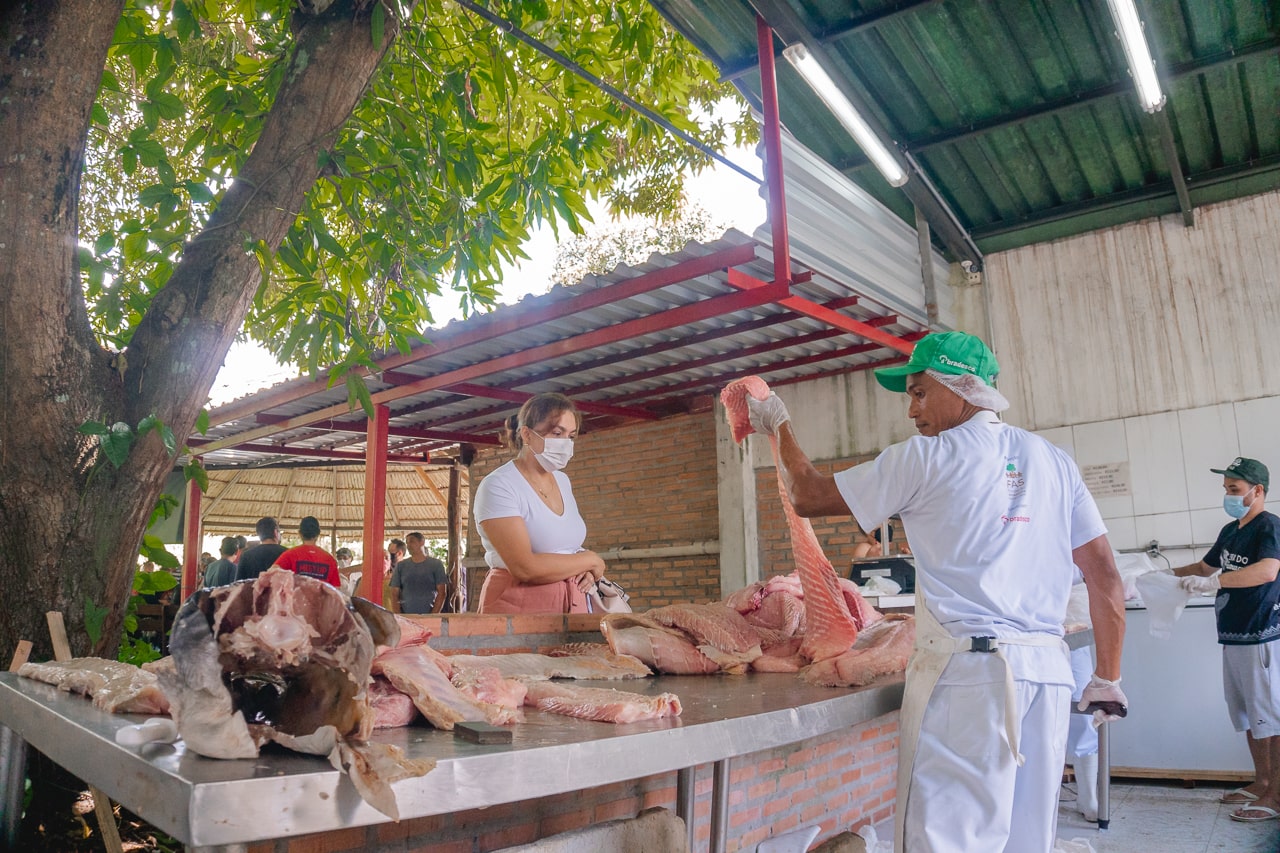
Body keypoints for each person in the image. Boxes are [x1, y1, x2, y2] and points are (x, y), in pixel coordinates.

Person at [745, 330, 1127, 853]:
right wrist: (1107, 677)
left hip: (973, 682)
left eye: (920, 392)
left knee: (946, 842)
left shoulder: (926, 458)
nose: (911, 410)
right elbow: (1104, 573)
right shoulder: (1054, 461)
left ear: (964, 389)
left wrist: (779, 425)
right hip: (1047, 678)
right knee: (1025, 841)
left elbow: (808, 495)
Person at [1171, 457, 1280, 822]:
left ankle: (1277, 796)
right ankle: (1262, 781)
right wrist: (1157, 574)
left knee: (1273, 718)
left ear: (1258, 490)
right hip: (1234, 635)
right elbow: (1204, 568)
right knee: (1249, 715)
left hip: (1263, 633)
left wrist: (1215, 583)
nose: (1229, 496)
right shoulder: (1231, 530)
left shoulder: (1269, 526)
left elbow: (1267, 570)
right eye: (1227, 490)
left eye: (1234, 490)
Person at [472, 392, 605, 614]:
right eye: (557, 433)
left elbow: (567, 547)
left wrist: (588, 570)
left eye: (571, 436)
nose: (565, 443)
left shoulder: (562, 481)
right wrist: (591, 559)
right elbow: (525, 568)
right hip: (518, 603)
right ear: (527, 434)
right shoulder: (499, 485)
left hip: (573, 602)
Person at [389, 532, 449, 614]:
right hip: (406, 616)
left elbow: (442, 592)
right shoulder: (401, 566)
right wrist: (399, 616)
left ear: (422, 542)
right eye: (407, 543)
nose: (409, 545)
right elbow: (394, 593)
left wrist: (433, 615)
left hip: (429, 614)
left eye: (412, 542)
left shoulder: (436, 565)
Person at [273, 515, 340, 586]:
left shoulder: (290, 555)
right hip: (321, 597)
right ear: (318, 533)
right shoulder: (329, 559)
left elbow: (271, 575)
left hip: (296, 596)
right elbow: (336, 589)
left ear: (300, 533)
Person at [235, 517, 287, 582]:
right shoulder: (287, 554)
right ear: (275, 532)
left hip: (253, 592)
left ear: (259, 534)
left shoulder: (246, 556)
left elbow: (238, 584)